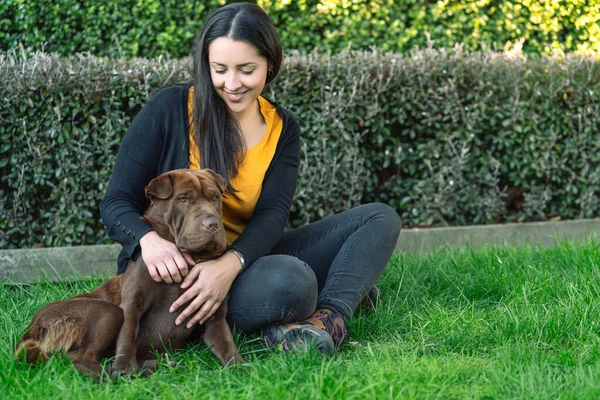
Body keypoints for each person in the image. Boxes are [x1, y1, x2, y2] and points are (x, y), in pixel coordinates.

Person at [100, 2, 401, 355]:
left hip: (246, 259)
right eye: (219, 69)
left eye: (246, 70)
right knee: (292, 282)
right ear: (206, 66)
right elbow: (116, 201)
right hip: (174, 278)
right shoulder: (170, 108)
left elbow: (272, 217)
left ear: (271, 65)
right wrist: (149, 241)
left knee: (380, 218)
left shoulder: (281, 127)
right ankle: (334, 289)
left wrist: (230, 266)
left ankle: (325, 319)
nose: (232, 84)